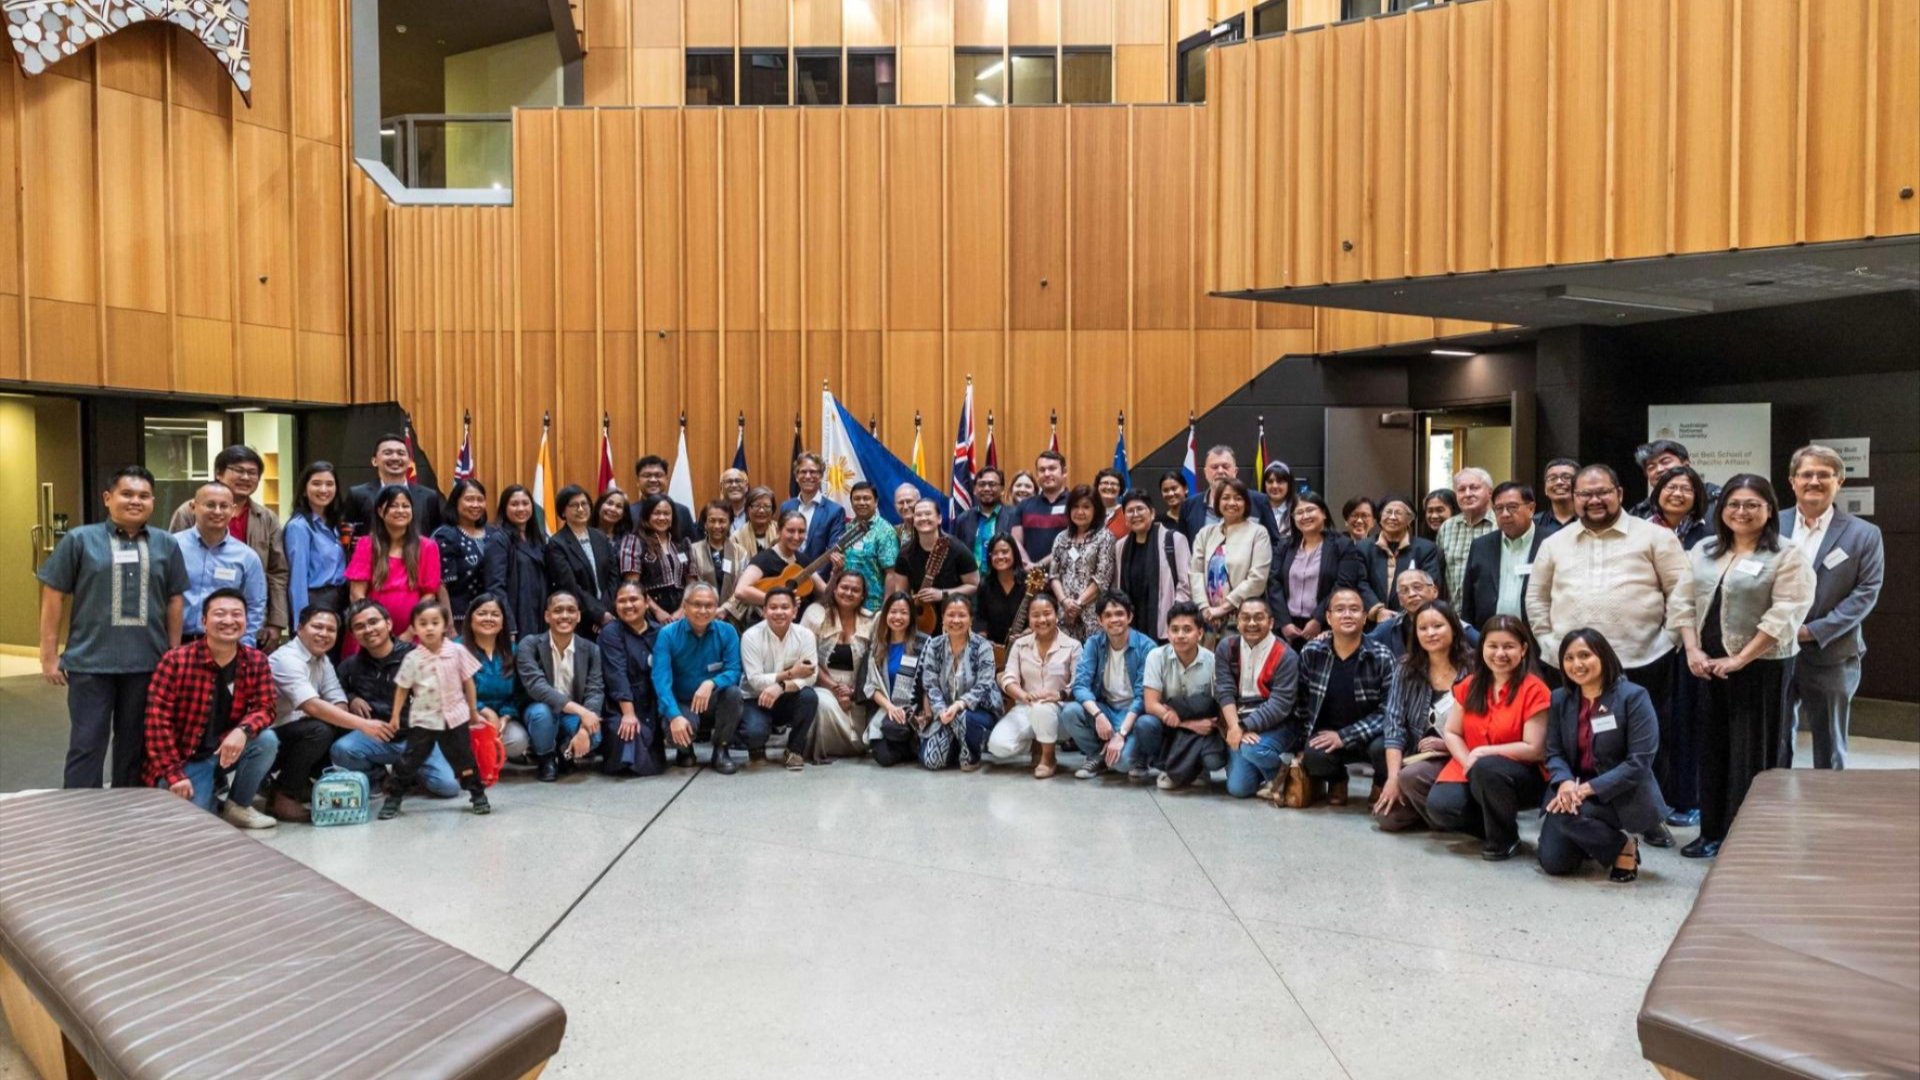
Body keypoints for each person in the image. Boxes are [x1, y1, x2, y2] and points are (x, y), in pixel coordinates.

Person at [1529, 464, 1697, 838]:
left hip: (1641, 658)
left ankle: (1649, 818)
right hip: (1572, 666)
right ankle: (1582, 805)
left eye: (1602, 491)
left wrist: (1666, 641)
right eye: (1585, 494)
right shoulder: (1555, 543)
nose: (1594, 500)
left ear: (1620, 493)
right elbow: (1537, 601)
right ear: (1573, 499)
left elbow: (1682, 592)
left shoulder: (1655, 536)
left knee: (1646, 746)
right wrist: (1549, 644)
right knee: (1583, 744)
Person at [1682, 474, 1814, 859]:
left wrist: (1740, 659)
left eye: (1752, 504)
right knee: (1712, 751)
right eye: (1733, 504)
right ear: (1720, 510)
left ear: (1769, 510)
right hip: (1707, 669)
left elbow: (1786, 614)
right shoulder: (1704, 550)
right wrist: (1692, 650)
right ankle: (1711, 833)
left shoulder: (1787, 555)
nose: (1741, 512)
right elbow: (1683, 602)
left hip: (1761, 670)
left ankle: (1748, 840)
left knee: (1753, 755)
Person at [38, 465, 187, 789]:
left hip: (148, 662)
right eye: (127, 494)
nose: (136, 501)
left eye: (144, 496)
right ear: (108, 498)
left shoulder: (166, 544)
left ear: (153, 501)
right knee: (86, 743)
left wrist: (174, 653)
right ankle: (81, 812)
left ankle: (127, 811)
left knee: (135, 745)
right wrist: (48, 655)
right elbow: (53, 595)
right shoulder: (80, 539)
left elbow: (175, 600)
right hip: (90, 662)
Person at [1780, 444, 1884, 770]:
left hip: (1832, 653)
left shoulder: (1864, 534)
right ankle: (1769, 802)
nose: (1814, 480)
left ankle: (1827, 810)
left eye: (1824, 475)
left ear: (1839, 481)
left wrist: (1813, 631)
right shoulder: (1770, 523)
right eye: (1806, 474)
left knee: (1830, 746)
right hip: (1772, 650)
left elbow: (1866, 593)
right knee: (1774, 737)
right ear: (1792, 481)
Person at [141, 588, 280, 828]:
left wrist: (242, 731)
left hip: (223, 749)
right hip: (185, 759)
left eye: (237, 614)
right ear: (204, 621)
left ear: (246, 621)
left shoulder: (256, 661)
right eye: (220, 614)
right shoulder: (176, 660)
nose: (228, 621)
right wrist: (174, 775)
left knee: (266, 740)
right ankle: (210, 798)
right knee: (192, 826)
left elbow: (266, 707)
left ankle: (238, 804)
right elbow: (156, 723)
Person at [1539, 629, 1670, 882]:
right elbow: (1553, 752)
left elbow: (1639, 763)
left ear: (1604, 656)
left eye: (1585, 655)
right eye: (1569, 658)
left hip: (1620, 792)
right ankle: (1596, 840)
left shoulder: (1633, 697)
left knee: (1564, 817)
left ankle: (1625, 846)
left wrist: (1585, 790)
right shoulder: (1559, 699)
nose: (1577, 664)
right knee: (1555, 863)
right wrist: (1565, 782)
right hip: (1573, 789)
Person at [1424, 615, 1552, 861]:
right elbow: (1452, 732)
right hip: (1474, 765)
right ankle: (1497, 825)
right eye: (1492, 646)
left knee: (1488, 768)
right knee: (1441, 807)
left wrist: (1483, 753)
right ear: (1481, 647)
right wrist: (1468, 761)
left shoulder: (1534, 688)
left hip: (1522, 774)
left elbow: (1534, 749)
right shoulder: (1471, 685)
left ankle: (1503, 839)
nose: (1500, 653)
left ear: (1524, 649)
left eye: (1509, 646)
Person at [329, 600, 460, 798]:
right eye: (359, 626)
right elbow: (336, 691)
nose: (368, 629)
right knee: (342, 750)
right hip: (376, 737)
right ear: (354, 634)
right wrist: (352, 698)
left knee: (448, 787)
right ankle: (378, 777)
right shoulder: (350, 666)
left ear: (388, 624)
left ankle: (411, 775)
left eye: (374, 622)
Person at [167, 444, 290, 648]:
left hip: (237, 626)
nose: (246, 477)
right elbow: (171, 571)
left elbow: (277, 572)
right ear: (219, 473)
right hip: (185, 630)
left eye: (252, 473)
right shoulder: (188, 512)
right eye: (238, 471)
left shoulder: (266, 518)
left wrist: (276, 621)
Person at [1371, 601, 1475, 832]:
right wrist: (1392, 778)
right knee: (1386, 818)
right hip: (1418, 756)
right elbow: (1394, 725)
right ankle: (1438, 812)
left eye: (1438, 626)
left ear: (1454, 628)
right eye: (1423, 628)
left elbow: (1485, 726)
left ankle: (1447, 812)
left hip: (1460, 755)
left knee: (1412, 778)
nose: (1430, 633)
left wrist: (1448, 744)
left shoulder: (1475, 667)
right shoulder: (1406, 668)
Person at [379, 598, 488, 818]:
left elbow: (468, 682)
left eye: (435, 622)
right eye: (423, 623)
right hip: (423, 720)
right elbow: (402, 688)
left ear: (445, 625)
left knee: (464, 758)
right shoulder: (412, 657)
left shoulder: (457, 651)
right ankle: (394, 797)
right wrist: (394, 716)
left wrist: (473, 711)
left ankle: (477, 794)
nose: (429, 628)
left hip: (455, 718)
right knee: (409, 759)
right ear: (415, 627)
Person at [1290, 587, 1396, 806]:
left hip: (1371, 736)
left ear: (1365, 617)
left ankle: (1380, 783)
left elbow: (1389, 711)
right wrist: (1301, 745)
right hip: (1328, 734)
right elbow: (1301, 705)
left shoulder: (1382, 656)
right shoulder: (1312, 652)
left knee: (1387, 745)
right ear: (1328, 617)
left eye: (1354, 609)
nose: (1347, 614)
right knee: (1314, 755)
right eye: (1340, 609)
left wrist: (1345, 736)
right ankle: (1337, 780)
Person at [265, 605, 362, 822]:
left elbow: (336, 696)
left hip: (297, 730)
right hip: (266, 739)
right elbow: (311, 706)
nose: (324, 634)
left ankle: (304, 783)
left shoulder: (322, 658)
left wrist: (342, 718)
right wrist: (364, 726)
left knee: (334, 723)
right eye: (317, 627)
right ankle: (283, 796)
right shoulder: (286, 658)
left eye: (331, 629)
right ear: (299, 629)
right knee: (319, 729)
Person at [1060, 592, 1158, 781]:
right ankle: (1097, 755)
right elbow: (1080, 685)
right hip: (1106, 709)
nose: (1114, 619)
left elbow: (1141, 698)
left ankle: (1137, 756)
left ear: (1130, 616)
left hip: (1134, 715)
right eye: (1108, 615)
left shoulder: (1147, 648)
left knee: (1122, 764)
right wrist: (1098, 715)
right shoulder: (1094, 644)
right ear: (1100, 620)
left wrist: (1120, 734)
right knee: (1070, 712)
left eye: (1120, 614)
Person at [651, 582, 747, 774]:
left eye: (709, 605)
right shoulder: (667, 634)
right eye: (697, 604)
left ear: (716, 607)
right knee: (675, 728)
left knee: (733, 694)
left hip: (713, 700)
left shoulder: (727, 632)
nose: (703, 610)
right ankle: (685, 751)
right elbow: (661, 680)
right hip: (682, 702)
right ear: (685, 606)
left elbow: (734, 671)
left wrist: (711, 682)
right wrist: (674, 715)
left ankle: (721, 749)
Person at [514, 590, 605, 781]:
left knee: (594, 736)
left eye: (571, 610)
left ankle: (565, 751)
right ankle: (546, 758)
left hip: (572, 713)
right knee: (542, 714)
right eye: (558, 610)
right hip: (540, 709)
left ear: (578, 616)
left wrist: (583, 729)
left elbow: (595, 690)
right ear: (547, 616)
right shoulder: (529, 645)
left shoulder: (591, 649)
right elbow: (538, 688)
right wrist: (583, 713)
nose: (564, 616)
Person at [1215, 596, 1299, 799]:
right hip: (1238, 720)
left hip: (1278, 723)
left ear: (1271, 622)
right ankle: (1267, 774)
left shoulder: (1286, 655)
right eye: (1245, 617)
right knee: (1239, 789)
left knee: (1253, 750)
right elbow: (1224, 691)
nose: (1251, 623)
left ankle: (1284, 774)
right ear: (1237, 620)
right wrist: (1235, 726)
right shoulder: (1226, 647)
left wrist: (1243, 728)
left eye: (1258, 618)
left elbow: (1280, 705)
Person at [991, 592, 1081, 778]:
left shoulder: (1073, 646)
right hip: (1026, 707)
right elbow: (1008, 678)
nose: (1042, 619)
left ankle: (1048, 758)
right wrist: (1022, 695)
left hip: (1059, 712)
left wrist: (1060, 695)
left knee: (1043, 709)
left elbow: (1079, 683)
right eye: (1035, 615)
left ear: (1057, 615)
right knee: (998, 746)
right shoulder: (1020, 645)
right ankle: (1037, 741)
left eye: (1047, 613)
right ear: (1029, 618)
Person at [347, 486, 445, 654]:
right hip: (372, 632)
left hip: (414, 632)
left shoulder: (428, 546)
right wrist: (375, 627)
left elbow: (429, 595)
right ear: (380, 511)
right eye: (393, 506)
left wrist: (409, 632)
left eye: (405, 506)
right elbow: (356, 593)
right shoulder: (366, 544)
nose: (400, 510)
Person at [1144, 603, 1227, 791]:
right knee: (1146, 725)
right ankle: (1165, 765)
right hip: (1169, 723)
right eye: (1174, 629)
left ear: (1199, 633)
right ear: (1168, 632)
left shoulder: (1213, 661)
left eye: (1187, 629)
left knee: (1214, 760)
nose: (1180, 635)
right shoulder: (1156, 656)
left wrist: (1199, 723)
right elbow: (1151, 704)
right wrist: (1187, 723)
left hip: (1203, 727)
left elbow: (1217, 708)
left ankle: (1195, 769)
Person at [1270, 494, 1371, 647]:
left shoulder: (1342, 545)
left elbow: (1343, 585)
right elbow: (1273, 583)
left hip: (1326, 626)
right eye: (1299, 512)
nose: (1305, 516)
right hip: (1288, 628)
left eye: (1310, 510)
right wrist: (1284, 622)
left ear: (1323, 513)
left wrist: (1318, 619)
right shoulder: (1284, 546)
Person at [175, 481, 268, 646]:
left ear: (232, 511)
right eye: (210, 505)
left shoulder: (247, 557)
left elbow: (255, 606)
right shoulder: (173, 547)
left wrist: (245, 647)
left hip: (226, 647)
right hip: (176, 643)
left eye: (224, 506)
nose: (217, 511)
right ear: (193, 507)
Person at [915, 595, 1000, 772]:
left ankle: (972, 755)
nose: (956, 620)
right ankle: (955, 744)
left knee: (964, 717)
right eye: (950, 615)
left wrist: (959, 705)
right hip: (946, 712)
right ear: (943, 618)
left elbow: (985, 685)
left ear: (971, 620)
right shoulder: (934, 645)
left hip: (977, 712)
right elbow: (930, 684)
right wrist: (940, 710)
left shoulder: (982, 646)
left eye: (962, 615)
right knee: (932, 762)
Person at [739, 587, 820, 770]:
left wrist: (781, 686)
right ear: (764, 610)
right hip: (755, 698)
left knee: (809, 697)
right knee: (754, 733)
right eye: (773, 607)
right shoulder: (750, 636)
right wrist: (790, 673)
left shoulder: (805, 635)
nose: (779, 612)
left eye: (785, 607)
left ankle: (793, 750)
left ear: (794, 611)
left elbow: (811, 676)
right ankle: (756, 745)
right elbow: (755, 681)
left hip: (786, 697)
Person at [801, 572, 874, 761]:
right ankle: (821, 749)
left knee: (859, 741)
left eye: (855, 590)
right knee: (820, 702)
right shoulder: (816, 615)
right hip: (823, 683)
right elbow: (807, 660)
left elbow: (875, 663)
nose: (848, 593)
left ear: (863, 595)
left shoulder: (871, 621)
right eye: (844, 587)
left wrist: (852, 691)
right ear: (834, 589)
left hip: (858, 690)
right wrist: (835, 689)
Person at [599, 581, 665, 777]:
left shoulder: (660, 632)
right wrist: (628, 714)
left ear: (646, 603)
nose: (628, 605)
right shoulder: (610, 632)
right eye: (622, 601)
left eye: (633, 599)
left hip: (652, 704)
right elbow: (616, 673)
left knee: (653, 760)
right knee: (626, 736)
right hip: (620, 705)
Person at [1190, 478, 1272, 632]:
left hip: (1243, 619)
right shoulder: (1205, 533)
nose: (1231, 503)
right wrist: (1205, 608)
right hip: (1208, 619)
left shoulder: (1258, 533)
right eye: (1225, 498)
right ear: (1217, 502)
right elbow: (1195, 572)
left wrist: (1223, 608)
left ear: (1246, 503)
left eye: (1238, 498)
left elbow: (1258, 579)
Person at [1459, 482, 1543, 629]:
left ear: (1531, 509)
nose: (1504, 514)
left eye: (1512, 507)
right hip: (1489, 639)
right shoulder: (1481, 546)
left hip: (1537, 638)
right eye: (1498, 509)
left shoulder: (1551, 542)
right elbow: (1469, 601)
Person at [1113, 489, 1192, 643]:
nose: (1135, 514)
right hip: (1131, 628)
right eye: (1130, 511)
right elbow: (1118, 586)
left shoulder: (1174, 540)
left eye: (1140, 509)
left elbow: (1186, 583)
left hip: (1166, 626)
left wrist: (1176, 618)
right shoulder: (1120, 546)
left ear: (1152, 513)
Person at [283, 461, 350, 637]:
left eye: (329, 484)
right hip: (316, 602)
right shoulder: (299, 527)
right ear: (304, 490)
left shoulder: (334, 524)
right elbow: (297, 579)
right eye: (316, 483)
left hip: (339, 601)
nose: (323, 489)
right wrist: (300, 622)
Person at [463, 593, 528, 768]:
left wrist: (505, 717)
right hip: (466, 718)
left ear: (503, 622)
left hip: (501, 719)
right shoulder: (457, 649)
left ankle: (490, 756)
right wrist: (482, 711)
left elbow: (519, 692)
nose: (488, 618)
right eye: (482, 613)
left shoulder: (513, 651)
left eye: (495, 614)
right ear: (470, 618)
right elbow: (452, 692)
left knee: (518, 740)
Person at [544, 485, 619, 636]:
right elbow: (569, 585)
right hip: (579, 619)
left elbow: (613, 576)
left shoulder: (600, 536)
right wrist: (598, 614)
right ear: (563, 511)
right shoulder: (557, 543)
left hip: (609, 616)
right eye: (574, 505)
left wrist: (605, 612)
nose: (580, 509)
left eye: (584, 504)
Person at [863, 592, 927, 767]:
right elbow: (871, 686)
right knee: (883, 757)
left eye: (904, 612)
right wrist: (890, 707)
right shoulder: (878, 644)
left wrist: (922, 712)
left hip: (914, 710)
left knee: (894, 728)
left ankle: (911, 739)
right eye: (893, 612)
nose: (897, 617)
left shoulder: (923, 643)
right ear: (885, 615)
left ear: (911, 616)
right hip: (886, 708)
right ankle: (908, 747)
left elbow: (929, 684)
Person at [888, 498, 981, 612]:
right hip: (919, 617)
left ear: (939, 519)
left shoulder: (957, 549)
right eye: (918, 515)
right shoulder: (905, 554)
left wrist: (943, 594)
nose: (923, 518)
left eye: (928, 514)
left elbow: (974, 585)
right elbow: (902, 593)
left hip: (953, 614)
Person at [482, 484, 548, 642]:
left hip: (539, 613)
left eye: (525, 503)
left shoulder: (537, 539)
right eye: (514, 504)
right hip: (516, 615)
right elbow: (495, 586)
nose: (521, 508)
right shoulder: (498, 539)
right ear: (504, 508)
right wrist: (508, 624)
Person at [1049, 486, 1117, 640]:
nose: (1080, 512)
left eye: (1086, 507)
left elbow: (1102, 579)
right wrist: (1065, 602)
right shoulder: (1061, 537)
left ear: (1096, 510)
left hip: (1092, 616)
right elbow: (1053, 575)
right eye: (1075, 507)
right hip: (1064, 614)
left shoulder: (1105, 537)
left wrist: (1078, 604)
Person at [1361, 496, 1442, 624]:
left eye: (1398, 513)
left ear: (1410, 519)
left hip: (1412, 621)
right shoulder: (1363, 547)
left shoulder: (1426, 549)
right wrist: (1378, 610)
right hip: (1371, 622)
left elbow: (1429, 585)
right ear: (1380, 517)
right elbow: (1360, 582)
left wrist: (1401, 617)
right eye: (1388, 512)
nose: (1392, 517)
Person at [1368, 568, 1479, 661]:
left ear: (1434, 591)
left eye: (1417, 587)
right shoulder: (1390, 627)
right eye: (1404, 590)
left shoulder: (1454, 624)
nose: (1411, 594)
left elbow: (1483, 646)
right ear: (1400, 600)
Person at [345, 433, 444, 536]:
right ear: (374, 461)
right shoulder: (357, 495)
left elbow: (435, 536)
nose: (395, 458)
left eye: (401, 453)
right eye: (388, 453)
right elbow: (348, 536)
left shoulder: (428, 496)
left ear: (409, 461)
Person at [1178, 446, 1281, 544]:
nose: (1220, 471)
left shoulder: (1259, 501)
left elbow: (1275, 543)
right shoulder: (1189, 506)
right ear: (1205, 472)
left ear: (1235, 471)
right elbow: (1183, 548)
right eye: (1214, 467)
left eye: (1225, 466)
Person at [736, 511, 829, 614]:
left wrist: (836, 573)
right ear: (778, 531)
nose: (796, 537)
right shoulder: (764, 559)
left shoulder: (803, 560)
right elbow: (741, 591)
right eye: (790, 531)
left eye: (801, 531)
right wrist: (780, 601)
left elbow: (825, 592)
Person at [625, 493, 694, 625]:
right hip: (648, 611)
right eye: (656, 513)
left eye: (666, 513)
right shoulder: (635, 542)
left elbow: (692, 582)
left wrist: (682, 609)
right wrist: (657, 611)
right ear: (647, 516)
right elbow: (632, 584)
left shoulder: (683, 543)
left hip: (683, 610)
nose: (662, 517)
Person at [832, 481, 897, 615]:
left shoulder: (885, 531)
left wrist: (885, 610)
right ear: (851, 502)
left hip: (873, 607)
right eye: (857, 499)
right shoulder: (847, 528)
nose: (861, 502)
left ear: (876, 501)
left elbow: (891, 574)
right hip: (846, 604)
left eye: (866, 498)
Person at [432, 478, 491, 627]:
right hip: (460, 619)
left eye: (480, 500)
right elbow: (441, 585)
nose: (475, 505)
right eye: (469, 499)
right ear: (455, 502)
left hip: (491, 617)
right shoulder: (446, 535)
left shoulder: (493, 533)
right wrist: (449, 624)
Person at [779, 452, 849, 567]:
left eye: (813, 472)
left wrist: (811, 580)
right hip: (786, 577)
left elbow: (834, 552)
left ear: (821, 476)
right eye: (803, 472)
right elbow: (782, 545)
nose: (807, 476)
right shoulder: (786, 507)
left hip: (819, 579)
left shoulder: (835, 511)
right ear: (796, 477)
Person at [1435, 468, 1494, 601]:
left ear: (1489, 492)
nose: (1467, 494)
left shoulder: (1500, 525)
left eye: (1474, 488)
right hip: (1454, 612)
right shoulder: (1447, 527)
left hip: (1489, 612)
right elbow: (1440, 572)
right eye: (1461, 489)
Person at [1627, 439, 1723, 518]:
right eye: (1651, 467)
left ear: (1686, 464)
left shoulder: (1718, 500)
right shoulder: (1640, 513)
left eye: (1665, 462)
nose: (1659, 469)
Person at [952, 466, 1019, 571]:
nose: (987, 488)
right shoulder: (963, 519)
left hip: (1004, 580)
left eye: (992, 484)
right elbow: (956, 553)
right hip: (972, 582)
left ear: (1002, 489)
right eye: (982, 484)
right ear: (974, 489)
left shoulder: (1015, 516)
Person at [1012, 450, 1072, 566]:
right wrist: (1029, 566)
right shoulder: (1024, 505)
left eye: (1052, 468)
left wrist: (1038, 565)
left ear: (1064, 472)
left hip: (1065, 576)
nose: (1046, 474)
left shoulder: (1075, 503)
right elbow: (1016, 541)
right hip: (1030, 577)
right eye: (1042, 470)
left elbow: (1075, 541)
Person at [689, 500, 752, 612]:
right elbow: (692, 586)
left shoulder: (740, 552)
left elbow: (743, 586)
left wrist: (725, 609)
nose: (717, 526)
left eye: (722, 521)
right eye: (712, 521)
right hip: (701, 612)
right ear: (705, 524)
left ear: (730, 523)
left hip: (733, 615)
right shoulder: (693, 550)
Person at [975, 534, 1030, 649]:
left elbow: (1037, 618)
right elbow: (980, 619)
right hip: (993, 650)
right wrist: (984, 642)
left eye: (1005, 552)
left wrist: (1024, 635)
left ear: (1014, 553)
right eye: (995, 553)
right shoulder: (985, 585)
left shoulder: (1030, 583)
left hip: (1026, 646)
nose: (1000, 556)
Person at [1640, 466, 1712, 551]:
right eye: (1671, 487)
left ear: (1696, 497)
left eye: (1686, 489)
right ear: (1658, 492)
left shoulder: (1710, 531)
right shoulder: (1641, 530)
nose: (1677, 494)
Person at [627, 454, 695, 541]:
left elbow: (692, 547)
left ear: (666, 479)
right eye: (647, 475)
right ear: (637, 481)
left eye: (658, 475)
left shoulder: (682, 512)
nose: (653, 480)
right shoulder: (629, 512)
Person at [1536, 458, 1580, 540]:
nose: (1559, 482)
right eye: (1552, 478)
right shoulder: (1534, 523)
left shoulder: (1590, 521)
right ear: (1545, 489)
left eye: (1566, 477)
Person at [732, 485, 779, 554]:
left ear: (772, 510)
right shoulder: (737, 537)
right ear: (748, 509)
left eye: (767, 506)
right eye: (756, 506)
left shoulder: (781, 533)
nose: (761, 511)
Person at [1261, 462, 1298, 546]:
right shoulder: (1256, 510)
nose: (1274, 486)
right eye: (1270, 481)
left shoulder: (1298, 510)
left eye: (1280, 482)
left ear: (1289, 484)